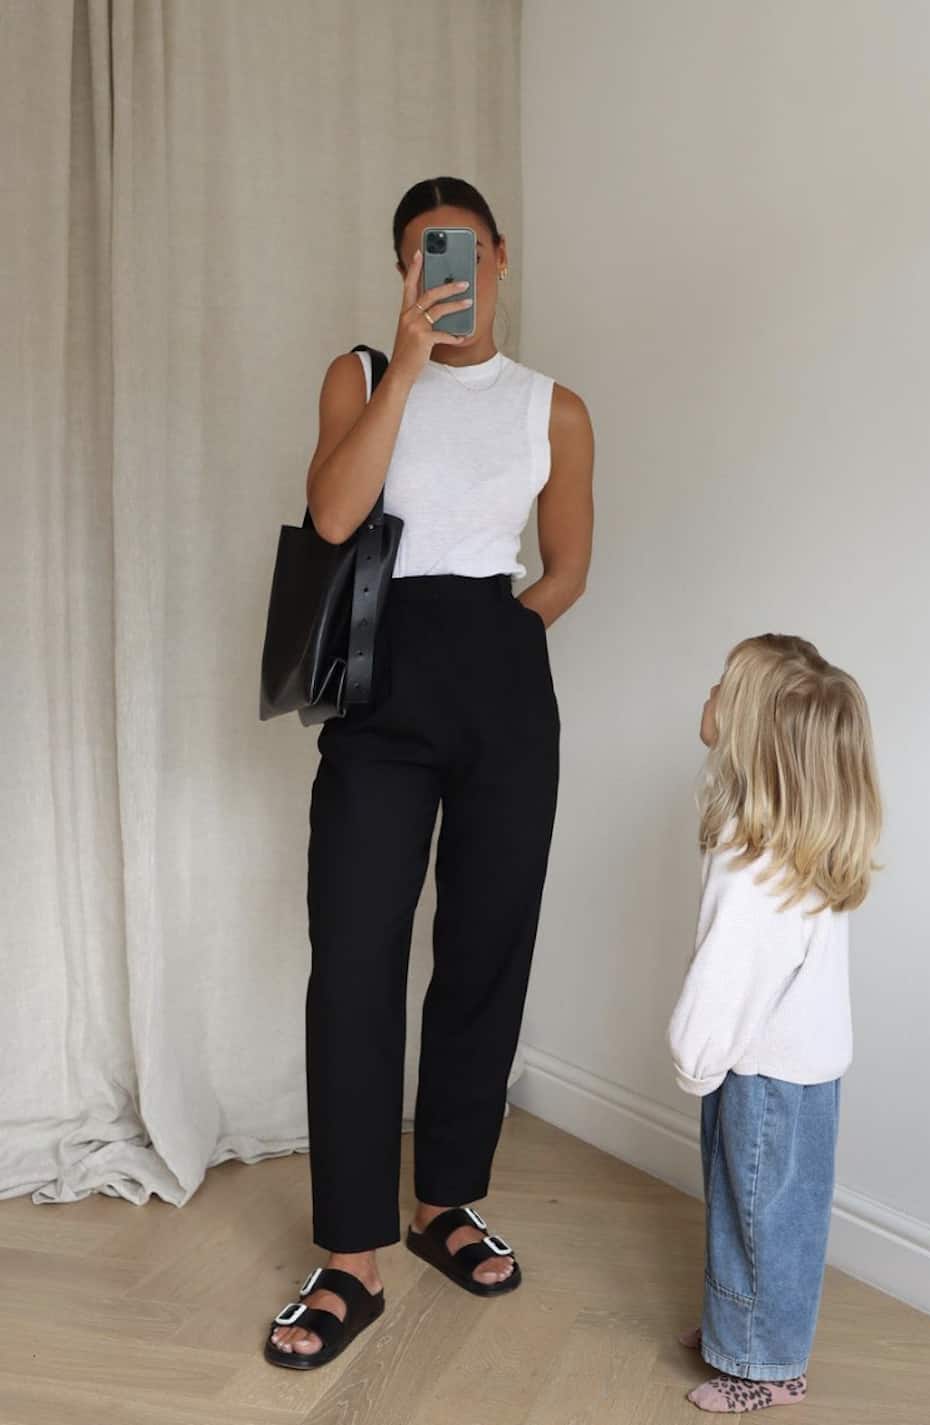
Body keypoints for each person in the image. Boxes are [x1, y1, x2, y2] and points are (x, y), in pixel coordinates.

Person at [265, 177, 594, 1368]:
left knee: (485, 949)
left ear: (498, 256)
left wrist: (502, 642)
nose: (441, 270)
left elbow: (562, 568)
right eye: (418, 255)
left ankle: (442, 1200)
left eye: (455, 250)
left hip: (503, 693)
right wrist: (406, 365)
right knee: (353, 959)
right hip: (380, 696)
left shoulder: (553, 409)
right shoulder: (359, 375)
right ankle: (351, 1256)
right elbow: (334, 514)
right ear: (403, 270)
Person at [668, 635, 882, 1412]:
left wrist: (695, 1061)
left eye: (722, 683)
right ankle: (742, 1324)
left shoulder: (752, 860)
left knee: (759, 1214)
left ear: (749, 727)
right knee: (758, 1208)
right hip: (801, 1067)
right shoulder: (801, 840)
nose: (709, 690)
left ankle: (769, 1364)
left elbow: (727, 980)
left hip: (764, 1074)